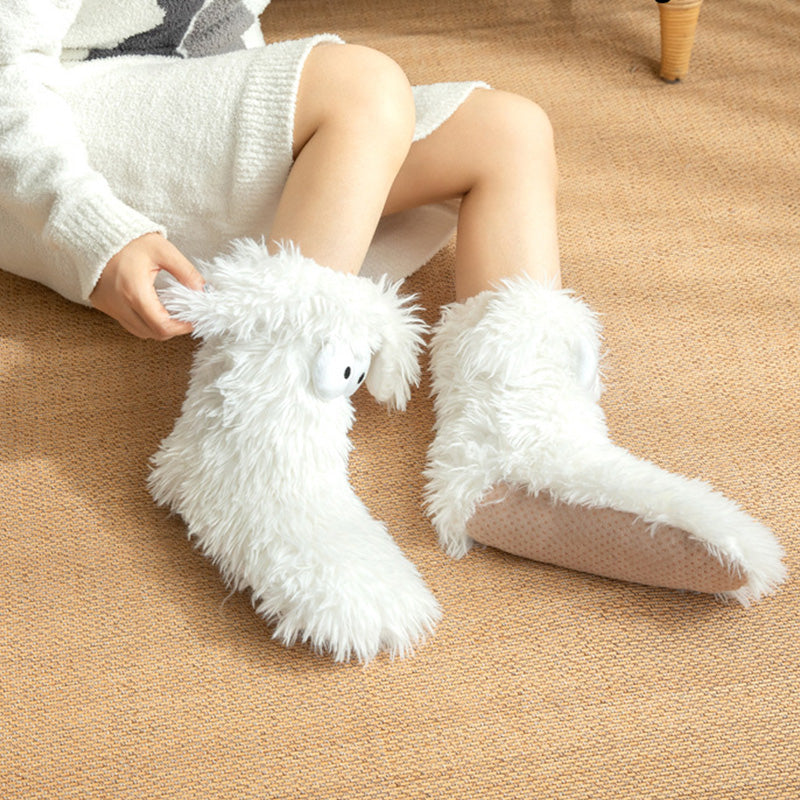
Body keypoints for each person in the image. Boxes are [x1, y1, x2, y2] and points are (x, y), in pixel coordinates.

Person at [2, 0, 784, 661]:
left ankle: (522, 447)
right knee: (362, 86)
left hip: (183, 123)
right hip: (57, 133)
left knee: (508, 130)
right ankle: (249, 449)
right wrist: (89, 226)